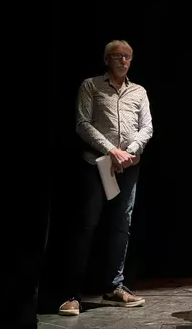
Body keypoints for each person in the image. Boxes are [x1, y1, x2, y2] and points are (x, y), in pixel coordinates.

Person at [58, 40, 153, 316]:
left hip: (129, 167)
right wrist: (112, 150)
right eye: (117, 57)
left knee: (121, 226)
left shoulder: (139, 91)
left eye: (127, 57)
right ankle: (71, 294)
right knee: (86, 226)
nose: (123, 61)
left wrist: (129, 151)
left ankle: (114, 287)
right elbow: (82, 123)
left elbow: (147, 127)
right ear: (106, 60)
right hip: (96, 165)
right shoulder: (91, 85)